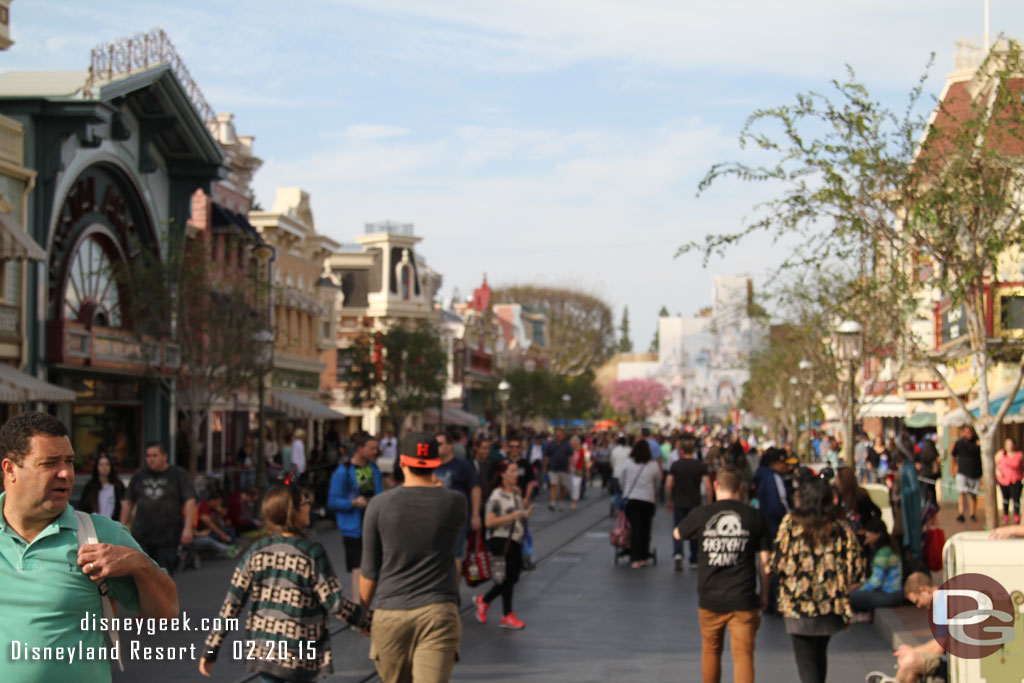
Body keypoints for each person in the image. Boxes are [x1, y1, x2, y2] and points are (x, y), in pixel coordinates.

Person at [0, 411, 178, 683]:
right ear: (10, 469)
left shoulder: (99, 534)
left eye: (69, 461)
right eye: (50, 463)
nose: (65, 473)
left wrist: (139, 565)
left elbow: (166, 614)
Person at [200, 484, 367, 681]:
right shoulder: (311, 552)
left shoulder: (256, 551)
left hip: (266, 650)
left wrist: (211, 648)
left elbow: (232, 604)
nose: (309, 507)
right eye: (305, 503)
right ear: (292, 512)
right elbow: (335, 603)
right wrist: (369, 621)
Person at [360, 433, 467, 683]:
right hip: (438, 611)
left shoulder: (378, 505)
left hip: (390, 614)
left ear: (402, 463)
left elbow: (369, 570)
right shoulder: (455, 503)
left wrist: (363, 614)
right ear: (436, 463)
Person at [674, 468, 771, 683]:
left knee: (710, 651)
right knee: (743, 655)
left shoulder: (702, 514)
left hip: (710, 598)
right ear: (740, 489)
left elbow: (678, 533)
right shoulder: (754, 517)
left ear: (716, 486)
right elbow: (764, 561)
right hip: (743, 598)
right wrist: (764, 593)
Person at [770, 476, 865, 683]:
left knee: (806, 660)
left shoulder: (790, 524)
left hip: (797, 604)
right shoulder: (840, 527)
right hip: (829, 605)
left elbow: (776, 562)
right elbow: (857, 567)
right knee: (819, 655)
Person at [474, 460, 536, 629]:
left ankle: (484, 601)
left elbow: (516, 514)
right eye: (512, 471)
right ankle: (507, 614)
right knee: (506, 578)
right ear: (503, 474)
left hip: (514, 539)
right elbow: (489, 521)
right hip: (499, 541)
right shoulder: (496, 496)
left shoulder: (516, 492)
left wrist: (524, 514)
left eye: (516, 471)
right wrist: (512, 516)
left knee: (511, 579)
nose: (517, 474)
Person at [121, 440, 196, 574]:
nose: (151, 459)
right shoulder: (139, 475)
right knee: (141, 575)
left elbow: (190, 501)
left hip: (168, 538)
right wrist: (121, 526)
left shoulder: (178, 474)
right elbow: (128, 502)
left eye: (155, 455)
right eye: (148, 456)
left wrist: (188, 528)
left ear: (164, 456)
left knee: (164, 576)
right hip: (142, 536)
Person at [327, 432, 383, 599]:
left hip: (372, 525)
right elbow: (332, 501)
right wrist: (352, 503)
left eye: (376, 448)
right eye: (371, 448)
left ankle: (364, 607)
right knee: (357, 569)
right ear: (359, 449)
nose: (375, 452)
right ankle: (358, 609)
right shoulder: (342, 472)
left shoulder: (373, 469)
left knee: (372, 568)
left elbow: (379, 494)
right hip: (354, 528)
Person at [434, 430, 480, 587]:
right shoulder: (430, 465)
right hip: (434, 518)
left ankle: (453, 593)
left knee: (456, 554)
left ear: (450, 446)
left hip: (457, 518)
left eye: (439, 444)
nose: (436, 447)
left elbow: (475, 488)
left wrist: (475, 515)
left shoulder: (462, 466)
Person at [665, 433, 711, 571]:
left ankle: (678, 553)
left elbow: (668, 484)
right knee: (695, 529)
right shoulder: (700, 466)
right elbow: (708, 485)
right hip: (695, 502)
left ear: (681, 451)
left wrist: (669, 500)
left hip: (679, 501)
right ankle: (694, 558)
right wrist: (709, 503)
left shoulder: (676, 465)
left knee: (678, 527)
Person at [849, 517, 903, 621]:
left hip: (889, 594)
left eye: (869, 531)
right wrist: (862, 585)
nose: (866, 534)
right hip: (893, 594)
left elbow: (876, 582)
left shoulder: (883, 553)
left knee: (850, 596)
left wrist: (861, 589)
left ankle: (860, 616)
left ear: (878, 534)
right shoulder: (888, 548)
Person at [619, 439, 662, 569]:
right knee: (645, 528)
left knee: (634, 527)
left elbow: (622, 480)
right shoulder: (653, 465)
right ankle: (643, 555)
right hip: (647, 500)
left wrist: (625, 490)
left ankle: (634, 557)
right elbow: (657, 483)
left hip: (631, 499)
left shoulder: (628, 463)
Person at [77, 452, 126, 520]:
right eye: (101, 465)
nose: (104, 467)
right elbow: (83, 506)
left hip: (113, 523)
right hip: (94, 524)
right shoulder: (91, 486)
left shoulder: (118, 485)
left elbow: (124, 506)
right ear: (97, 467)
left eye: (107, 464)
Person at [950, 425, 981, 522]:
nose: (969, 434)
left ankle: (972, 514)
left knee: (973, 494)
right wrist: (952, 468)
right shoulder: (959, 443)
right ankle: (961, 513)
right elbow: (953, 456)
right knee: (961, 492)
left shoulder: (977, 442)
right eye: (967, 432)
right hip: (962, 471)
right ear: (963, 433)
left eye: (970, 432)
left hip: (975, 472)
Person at [995, 435, 1023, 524]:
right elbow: (995, 465)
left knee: (1016, 499)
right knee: (1005, 499)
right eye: (1007, 444)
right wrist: (998, 472)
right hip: (1004, 480)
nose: (1009, 446)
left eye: (1010, 444)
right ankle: (1006, 515)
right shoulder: (1000, 454)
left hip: (1016, 479)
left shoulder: (1019, 454)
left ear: (1014, 445)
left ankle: (1016, 516)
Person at [544, 428, 573, 512]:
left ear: (563, 435)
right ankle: (552, 502)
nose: (558, 436)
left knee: (563, 487)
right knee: (553, 485)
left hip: (564, 468)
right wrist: (545, 468)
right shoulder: (551, 444)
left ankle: (562, 503)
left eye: (560, 435)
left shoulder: (567, 445)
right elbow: (546, 456)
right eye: (557, 435)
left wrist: (571, 466)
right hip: (553, 468)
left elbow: (570, 456)